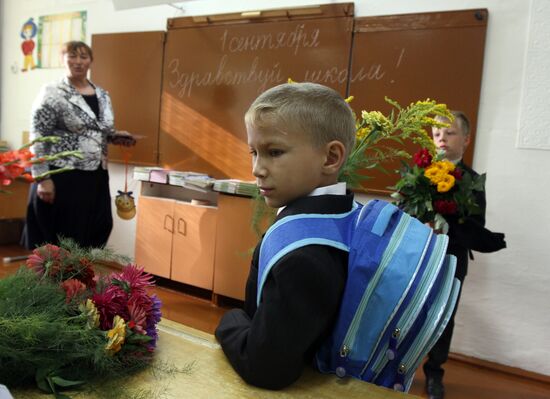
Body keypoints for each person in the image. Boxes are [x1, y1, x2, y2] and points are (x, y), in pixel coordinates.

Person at [215, 82, 356, 389]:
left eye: (274, 152)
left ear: (331, 158)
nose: (256, 169)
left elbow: (266, 368)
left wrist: (230, 321)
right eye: (254, 152)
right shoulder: (342, 214)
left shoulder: (305, 257)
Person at [423, 111, 506, 399]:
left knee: (444, 315)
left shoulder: (472, 181)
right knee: (409, 309)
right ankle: (397, 363)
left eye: (450, 133)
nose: (441, 138)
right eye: (436, 134)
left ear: (466, 139)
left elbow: (476, 224)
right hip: (417, 256)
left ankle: (434, 372)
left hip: (451, 257)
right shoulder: (419, 172)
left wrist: (447, 224)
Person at [22, 41, 135, 250]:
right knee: (63, 238)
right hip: (62, 175)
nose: (78, 61)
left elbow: (100, 130)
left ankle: (79, 280)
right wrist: (42, 179)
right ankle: (58, 281)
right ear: (63, 60)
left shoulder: (102, 94)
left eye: (83, 57)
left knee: (97, 228)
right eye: (72, 56)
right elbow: (38, 138)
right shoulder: (52, 93)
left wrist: (116, 136)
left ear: (91, 61)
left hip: (95, 175)